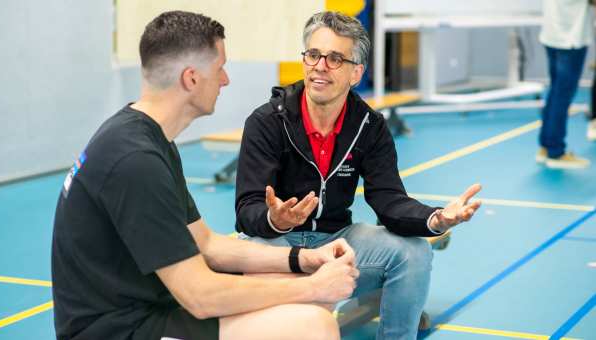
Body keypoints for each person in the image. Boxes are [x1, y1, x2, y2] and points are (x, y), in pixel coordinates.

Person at [51, 11, 360, 340]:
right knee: (314, 324)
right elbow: (200, 297)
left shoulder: (149, 139)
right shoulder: (135, 161)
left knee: (306, 294)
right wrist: (314, 285)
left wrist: (305, 259)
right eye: (219, 69)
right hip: (117, 330)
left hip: (150, 306)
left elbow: (207, 244)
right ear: (191, 78)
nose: (225, 80)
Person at [235, 11, 482, 340]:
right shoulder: (267, 121)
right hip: (275, 244)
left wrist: (436, 219)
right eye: (313, 55)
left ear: (356, 73)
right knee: (298, 302)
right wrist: (275, 219)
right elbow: (247, 208)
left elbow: (389, 200)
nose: (320, 66)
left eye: (335, 58)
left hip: (338, 240)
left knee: (413, 252)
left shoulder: (370, 126)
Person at [536, 0, 593, 169]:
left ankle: (547, 147)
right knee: (562, 95)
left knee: (555, 93)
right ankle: (556, 152)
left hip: (553, 35)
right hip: (570, 39)